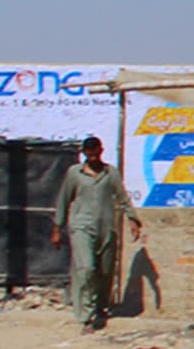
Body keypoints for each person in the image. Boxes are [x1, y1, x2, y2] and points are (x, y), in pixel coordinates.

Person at [51, 136, 143, 333]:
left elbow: (122, 197)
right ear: (84, 153)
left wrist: (132, 219)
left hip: (107, 227)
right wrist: (58, 227)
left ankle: (101, 308)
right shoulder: (75, 173)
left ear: (101, 151)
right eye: (88, 154)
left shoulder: (111, 174)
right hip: (82, 226)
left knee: (104, 271)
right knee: (87, 269)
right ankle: (86, 315)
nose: (92, 158)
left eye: (95, 154)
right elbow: (64, 200)